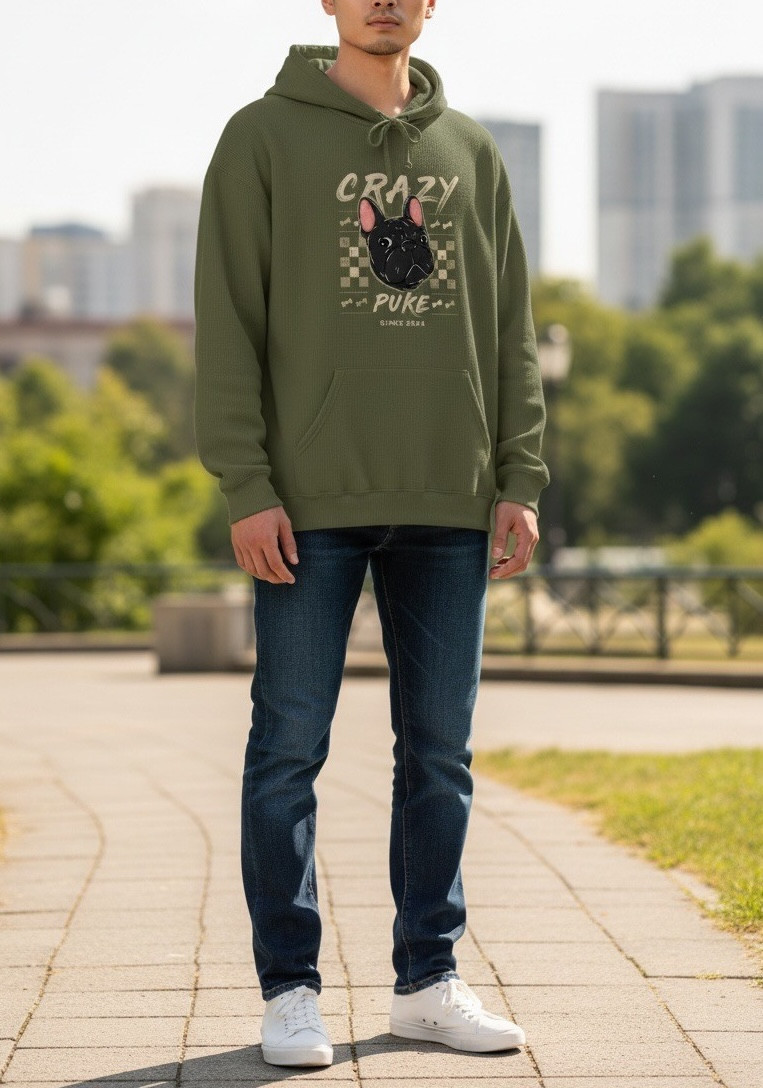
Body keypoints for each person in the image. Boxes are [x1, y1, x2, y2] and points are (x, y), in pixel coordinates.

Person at [193, 0, 549, 1069]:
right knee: (286, 750)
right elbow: (229, 320)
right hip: (307, 504)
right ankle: (290, 990)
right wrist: (246, 483)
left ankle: (427, 981)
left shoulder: (470, 151)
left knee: (440, 755)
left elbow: (510, 327)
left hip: (449, 495)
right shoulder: (261, 137)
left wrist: (519, 474)